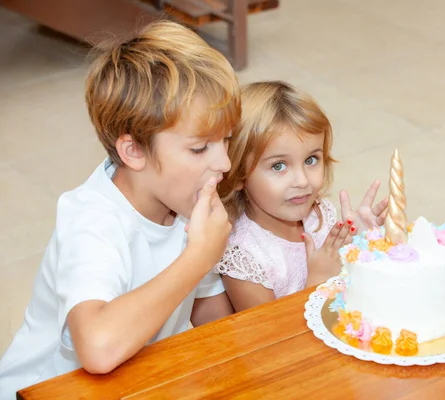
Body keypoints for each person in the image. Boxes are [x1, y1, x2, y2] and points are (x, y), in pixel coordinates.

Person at [0, 20, 240, 397]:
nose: (224, 163)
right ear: (133, 151)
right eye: (200, 148)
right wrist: (198, 258)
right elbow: (97, 348)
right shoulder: (92, 219)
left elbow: (211, 316)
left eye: (226, 141)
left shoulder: (187, 203)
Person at [215, 81, 387, 312]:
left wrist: (359, 244)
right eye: (278, 166)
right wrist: (317, 283)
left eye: (311, 160)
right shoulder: (245, 257)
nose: (302, 181)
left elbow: (351, 288)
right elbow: (271, 340)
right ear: (237, 175)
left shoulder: (319, 215)